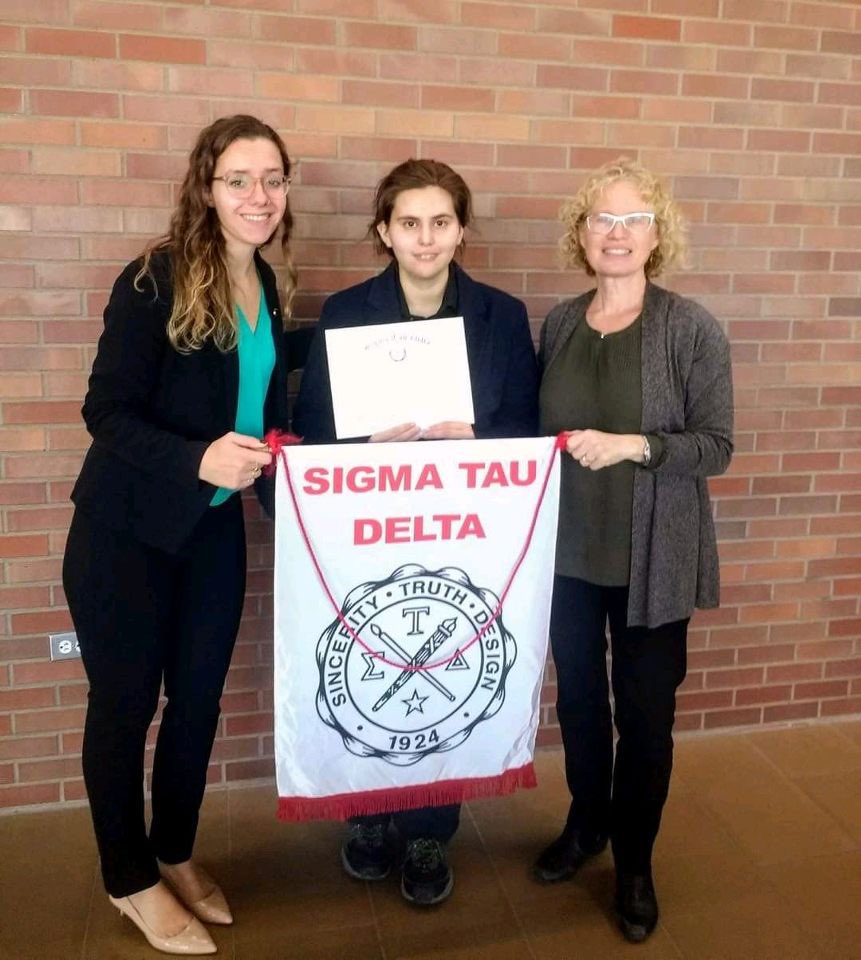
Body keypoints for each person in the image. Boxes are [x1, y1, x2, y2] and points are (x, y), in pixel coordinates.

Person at [63, 115, 296, 956]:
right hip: (126, 531)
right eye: (239, 178)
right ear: (206, 186)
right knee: (124, 706)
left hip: (211, 535)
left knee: (196, 701)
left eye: (272, 179)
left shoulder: (266, 283)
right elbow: (104, 411)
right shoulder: (153, 279)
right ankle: (128, 877)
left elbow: (260, 409)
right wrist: (196, 457)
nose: (258, 196)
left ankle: (175, 850)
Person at [293, 158, 539, 906]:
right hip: (368, 526)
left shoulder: (502, 316)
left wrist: (480, 439)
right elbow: (311, 438)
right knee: (373, 661)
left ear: (461, 229)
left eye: (439, 222)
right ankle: (367, 816)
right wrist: (361, 451)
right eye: (408, 223)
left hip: (465, 529)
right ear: (383, 232)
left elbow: (526, 429)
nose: (425, 238)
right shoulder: (343, 313)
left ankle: (432, 825)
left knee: (445, 668)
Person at [534, 158, 733, 943]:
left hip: (655, 559)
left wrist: (633, 446)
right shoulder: (557, 323)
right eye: (601, 222)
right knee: (579, 703)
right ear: (580, 236)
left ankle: (635, 862)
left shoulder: (688, 327)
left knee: (644, 721)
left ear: (657, 236)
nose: (615, 236)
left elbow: (715, 446)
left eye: (632, 222)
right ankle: (586, 824)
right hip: (567, 558)